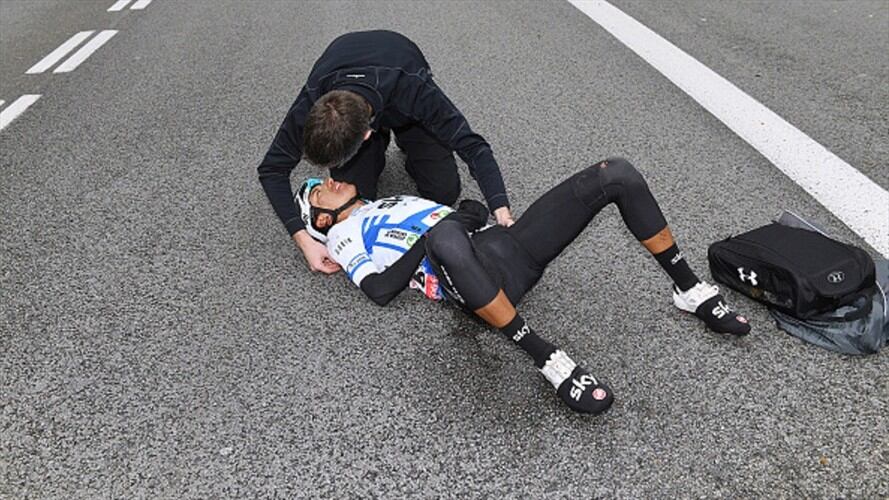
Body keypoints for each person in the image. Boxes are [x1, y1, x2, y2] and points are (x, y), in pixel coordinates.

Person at [296, 158, 751, 414]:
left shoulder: (388, 201)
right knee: (443, 237)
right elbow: (380, 289)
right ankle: (547, 358)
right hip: (460, 276)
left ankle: (689, 291)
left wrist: (468, 212)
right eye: (320, 190)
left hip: (502, 249)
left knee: (616, 174)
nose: (331, 181)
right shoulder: (343, 234)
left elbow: (465, 213)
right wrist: (445, 228)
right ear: (321, 219)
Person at [258, 30, 515, 276]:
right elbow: (271, 170)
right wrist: (304, 241)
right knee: (358, 201)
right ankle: (378, 147)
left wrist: (500, 210)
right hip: (349, 71)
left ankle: (407, 136)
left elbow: (473, 146)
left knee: (443, 192)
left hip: (402, 79)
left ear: (365, 134)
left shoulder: (415, 89)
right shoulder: (314, 99)